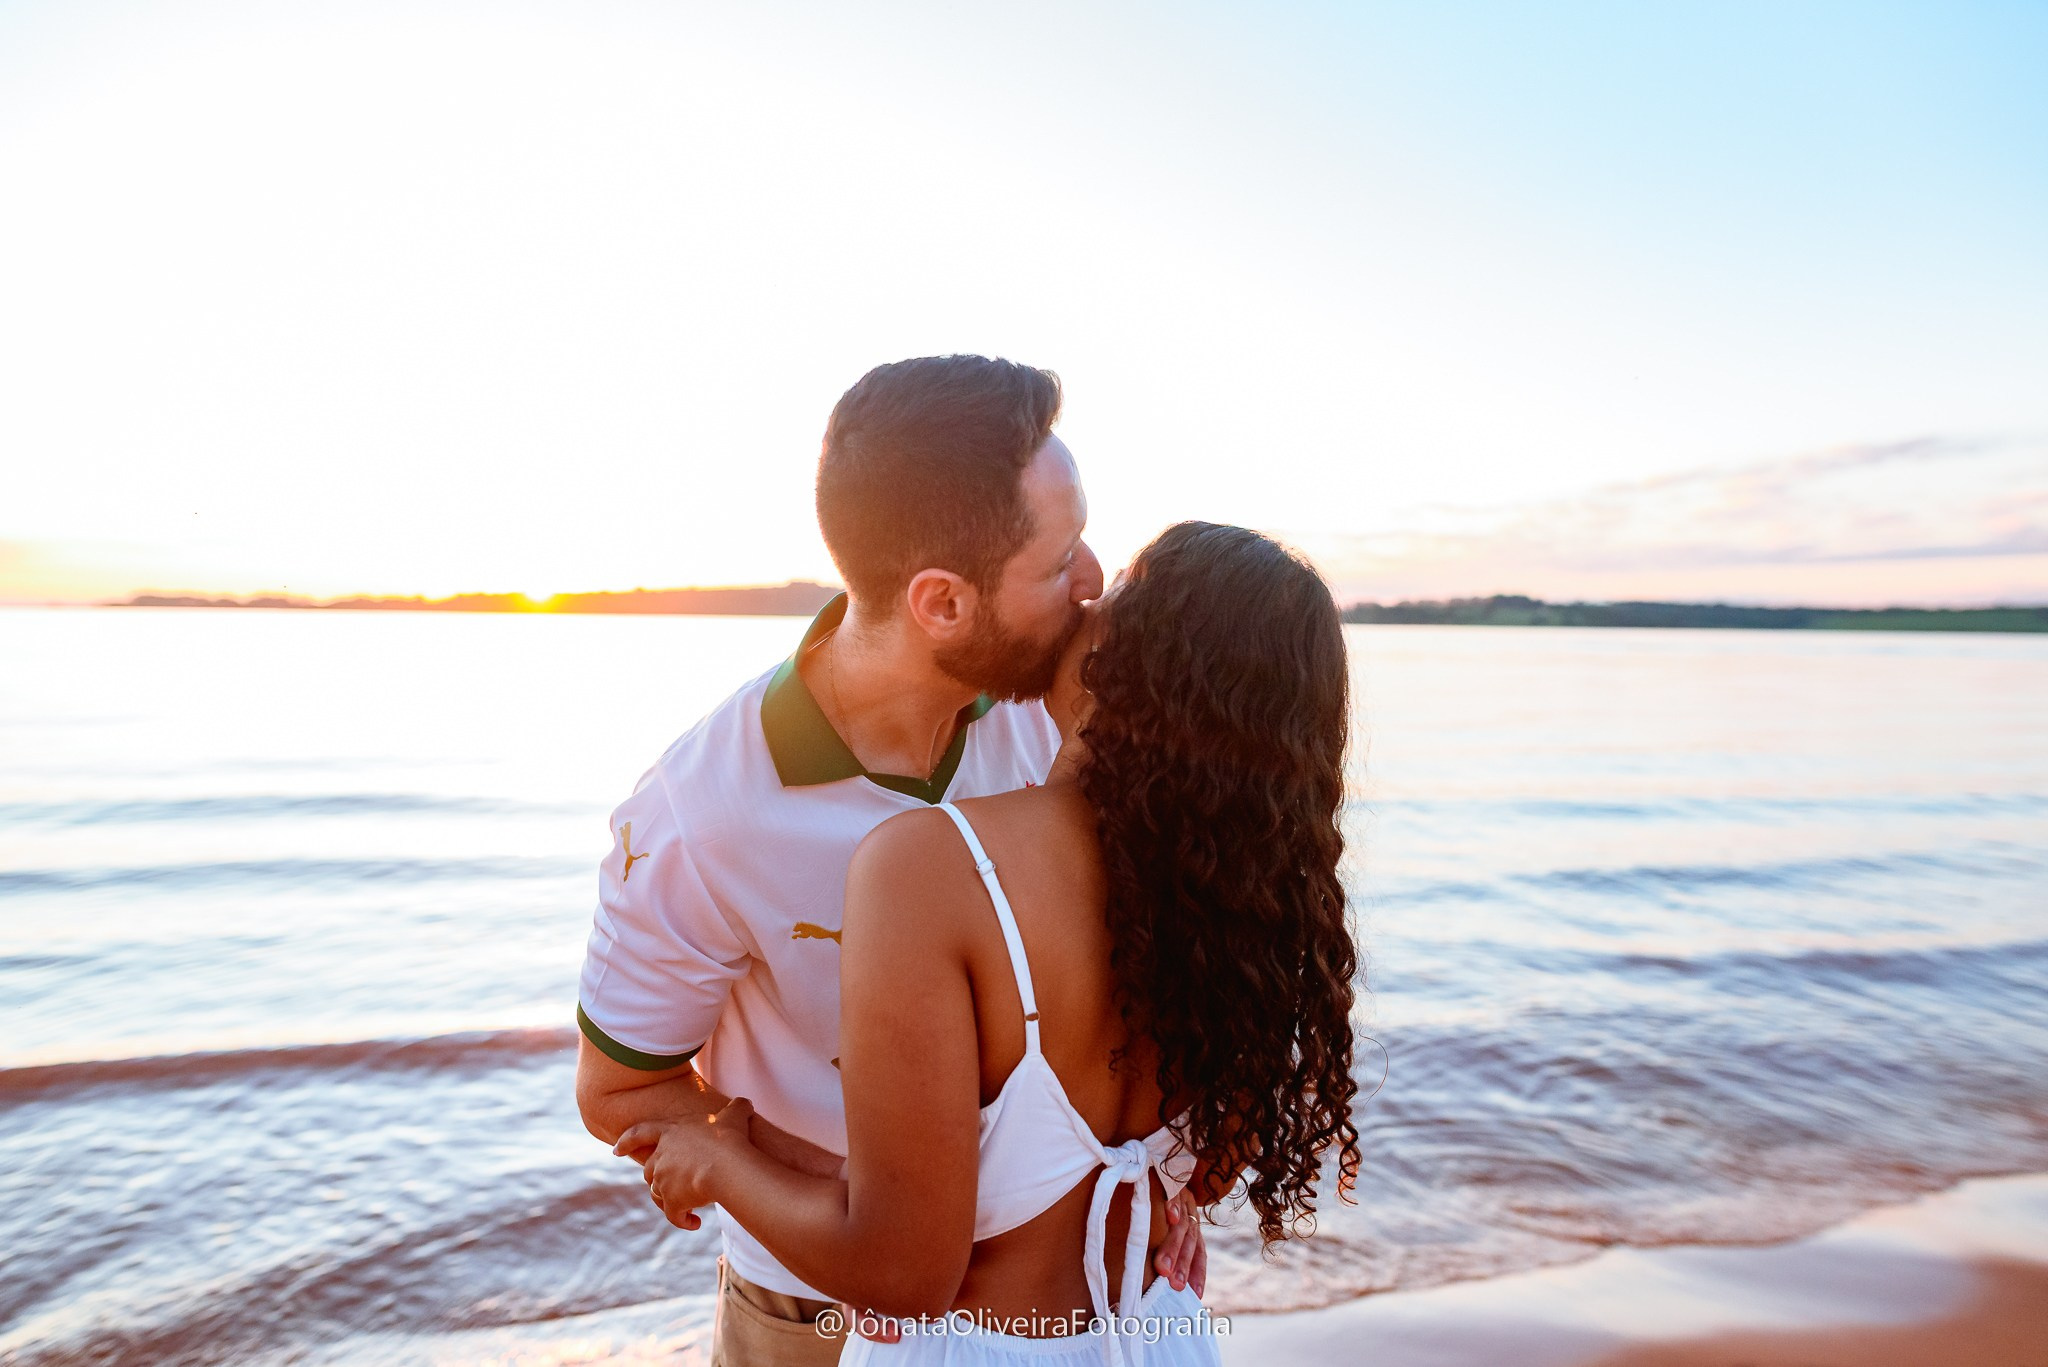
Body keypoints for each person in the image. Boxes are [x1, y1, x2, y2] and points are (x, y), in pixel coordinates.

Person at [574, 355, 1207, 1367]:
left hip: (1071, 1304)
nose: (1094, 581)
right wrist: (836, 1190)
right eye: (1058, 563)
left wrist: (1160, 1173)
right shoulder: (703, 809)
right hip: (819, 1312)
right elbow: (619, 1087)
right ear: (941, 602)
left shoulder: (1069, 716)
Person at [620, 521, 1363, 1366]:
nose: (1087, 593)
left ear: (1143, 656)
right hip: (1160, 1333)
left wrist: (718, 1160)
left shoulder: (932, 865)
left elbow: (903, 1275)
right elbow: (1204, 1173)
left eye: (1118, 588)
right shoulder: (1239, 909)